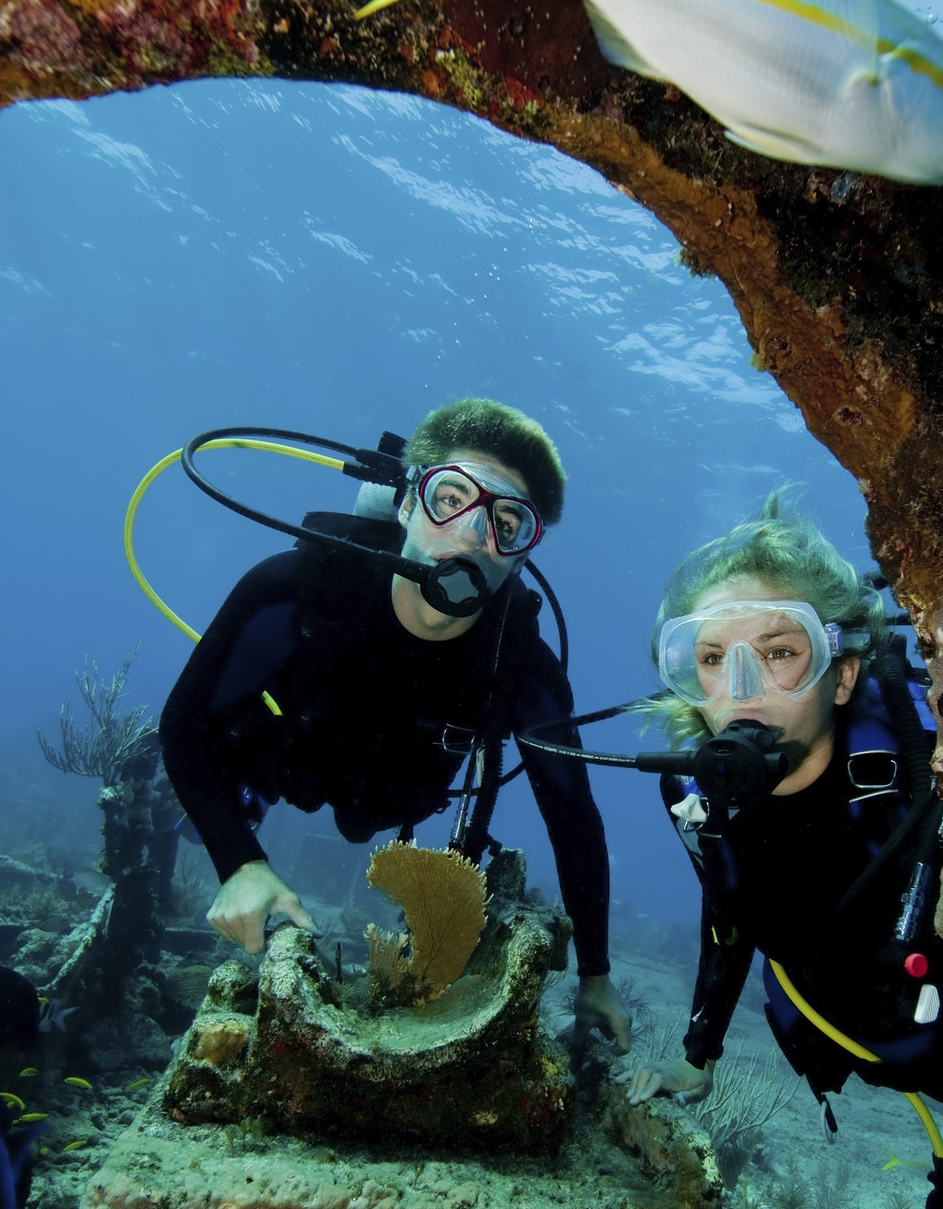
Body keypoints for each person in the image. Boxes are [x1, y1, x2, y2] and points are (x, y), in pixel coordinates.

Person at [160, 396, 630, 1051]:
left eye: (507, 522)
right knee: (234, 761)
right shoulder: (295, 587)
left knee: (360, 824)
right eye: (449, 498)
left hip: (390, 795)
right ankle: (248, 800)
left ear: (521, 554)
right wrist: (238, 861)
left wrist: (595, 976)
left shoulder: (522, 666)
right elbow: (181, 723)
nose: (470, 535)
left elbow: (572, 814)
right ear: (407, 503)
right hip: (285, 754)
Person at [620, 495, 943, 1190]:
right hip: (830, 1034)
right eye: (709, 658)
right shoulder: (694, 797)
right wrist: (696, 1057)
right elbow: (726, 910)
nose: (740, 691)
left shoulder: (930, 769)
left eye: (780, 653)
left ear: (842, 670)